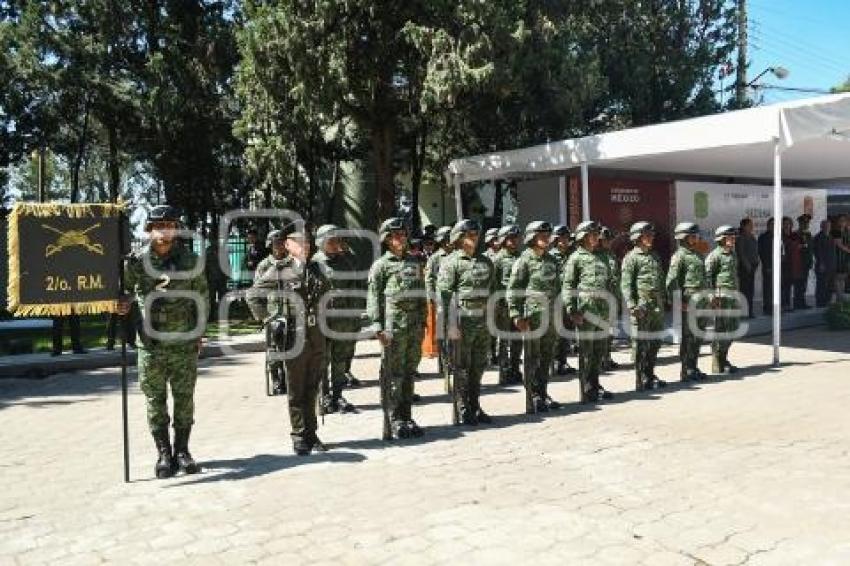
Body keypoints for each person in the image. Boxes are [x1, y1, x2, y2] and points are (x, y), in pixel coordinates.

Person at [118, 205, 208, 478]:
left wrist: (200, 333)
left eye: (169, 225)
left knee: (184, 399)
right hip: (150, 343)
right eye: (159, 225)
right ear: (149, 230)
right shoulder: (134, 262)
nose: (164, 230)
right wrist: (121, 305)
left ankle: (182, 451)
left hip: (183, 343)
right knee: (155, 400)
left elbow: (202, 297)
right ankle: (163, 455)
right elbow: (125, 293)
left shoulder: (191, 261)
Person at [250, 225, 330, 456]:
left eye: (307, 243)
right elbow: (253, 295)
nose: (305, 246)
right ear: (287, 246)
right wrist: (269, 319)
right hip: (293, 335)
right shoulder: (280, 270)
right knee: (296, 389)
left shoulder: (316, 269)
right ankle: (299, 436)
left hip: (316, 335)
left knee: (312, 387)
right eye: (299, 243)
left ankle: (312, 434)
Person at [367, 217, 427, 439]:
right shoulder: (381, 266)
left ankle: (406, 415)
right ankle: (394, 419)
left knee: (410, 372)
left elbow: (421, 293)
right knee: (394, 374)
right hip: (393, 329)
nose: (400, 239)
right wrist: (377, 326)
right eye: (395, 235)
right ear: (386, 239)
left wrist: (423, 320)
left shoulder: (414, 262)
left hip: (414, 328)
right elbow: (373, 298)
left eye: (402, 234)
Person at [437, 219, 495, 425]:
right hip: (462, 321)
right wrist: (451, 325)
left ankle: (475, 404)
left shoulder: (486, 262)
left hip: (482, 321)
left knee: (478, 365)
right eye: (469, 234)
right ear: (459, 238)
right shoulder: (450, 262)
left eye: (476, 234)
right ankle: (462, 407)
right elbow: (444, 297)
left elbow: (493, 291)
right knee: (461, 367)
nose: (474, 238)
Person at [507, 221, 562, 413]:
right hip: (531, 319)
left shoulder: (552, 261)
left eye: (548, 235)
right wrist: (516, 315)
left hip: (550, 317)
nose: (546, 238)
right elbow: (513, 289)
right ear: (531, 237)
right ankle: (533, 395)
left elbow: (558, 288)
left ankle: (543, 392)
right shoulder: (524, 260)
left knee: (547, 358)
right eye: (541, 235)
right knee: (531, 359)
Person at [313, 224, 363, 414]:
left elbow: (356, 288)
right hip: (324, 320)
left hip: (343, 319)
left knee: (340, 359)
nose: (336, 244)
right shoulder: (314, 264)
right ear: (321, 242)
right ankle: (324, 396)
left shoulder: (347, 262)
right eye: (331, 240)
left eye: (338, 240)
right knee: (323, 360)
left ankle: (338, 395)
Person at [563, 221, 614, 403]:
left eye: (596, 234)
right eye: (592, 234)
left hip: (602, 311)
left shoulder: (603, 257)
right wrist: (571, 309)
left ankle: (595, 384)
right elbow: (568, 286)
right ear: (582, 237)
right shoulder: (575, 258)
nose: (595, 237)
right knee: (586, 353)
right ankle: (586, 390)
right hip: (585, 312)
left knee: (599, 351)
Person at [620, 221, 667, 391]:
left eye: (651, 235)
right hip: (641, 307)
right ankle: (641, 379)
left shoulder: (655, 256)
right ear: (637, 238)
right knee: (641, 345)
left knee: (655, 342)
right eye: (647, 235)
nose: (651, 238)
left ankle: (650, 373)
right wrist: (632, 306)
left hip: (656, 307)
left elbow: (660, 280)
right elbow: (626, 285)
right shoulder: (631, 258)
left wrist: (665, 299)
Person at [666, 222, 708, 381]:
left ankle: (693, 366)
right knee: (689, 338)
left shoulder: (698, 255)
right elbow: (672, 281)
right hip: (688, 303)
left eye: (696, 235)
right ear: (683, 238)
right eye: (692, 236)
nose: (696, 238)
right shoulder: (679, 256)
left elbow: (704, 279)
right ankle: (686, 370)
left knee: (698, 336)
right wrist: (677, 302)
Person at [706, 225, 740, 374]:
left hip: (732, 297)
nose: (733, 240)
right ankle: (717, 364)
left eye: (733, 238)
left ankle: (724, 358)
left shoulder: (732, 254)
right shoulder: (714, 256)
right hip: (721, 298)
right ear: (721, 239)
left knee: (732, 329)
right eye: (729, 237)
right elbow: (707, 278)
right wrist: (712, 297)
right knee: (721, 331)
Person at [493, 225, 523, 385]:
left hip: (518, 304)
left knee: (517, 339)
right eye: (510, 238)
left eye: (516, 238)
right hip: (503, 305)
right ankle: (504, 372)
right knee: (504, 340)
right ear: (504, 240)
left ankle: (515, 369)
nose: (514, 241)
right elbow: (493, 283)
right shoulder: (498, 259)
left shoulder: (521, 257)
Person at [548, 225, 576, 376]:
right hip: (556, 300)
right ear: (556, 240)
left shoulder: (572, 255)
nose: (565, 241)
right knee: (555, 333)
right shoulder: (550, 256)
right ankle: (552, 362)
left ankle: (562, 361)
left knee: (566, 332)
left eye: (567, 238)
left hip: (569, 299)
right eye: (562, 238)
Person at [598, 227, 621, 371]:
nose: (608, 242)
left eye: (609, 240)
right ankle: (600, 358)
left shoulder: (611, 255)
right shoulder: (594, 256)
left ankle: (607, 356)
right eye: (605, 240)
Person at [483, 227, 501, 365]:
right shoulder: (484, 258)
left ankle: (499, 354)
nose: (497, 241)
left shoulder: (504, 255)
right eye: (495, 239)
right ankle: (489, 353)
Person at [736, 218, 759, 318]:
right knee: (745, 290)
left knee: (750, 291)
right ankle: (744, 312)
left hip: (752, 266)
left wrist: (756, 262)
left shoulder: (752, 236)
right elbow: (741, 253)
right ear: (744, 226)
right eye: (749, 225)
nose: (751, 227)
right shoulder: (741, 237)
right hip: (745, 268)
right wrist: (747, 265)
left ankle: (749, 311)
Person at [813, 218, 837, 307]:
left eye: (829, 226)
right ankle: (820, 302)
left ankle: (827, 301)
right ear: (821, 227)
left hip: (831, 265)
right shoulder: (818, 237)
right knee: (822, 284)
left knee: (830, 285)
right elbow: (818, 252)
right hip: (823, 265)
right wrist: (821, 263)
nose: (827, 227)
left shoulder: (830, 237)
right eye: (825, 226)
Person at [780, 217, 801, 312]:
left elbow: (802, 246)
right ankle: (782, 305)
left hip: (793, 263)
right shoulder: (779, 235)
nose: (787, 225)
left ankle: (788, 304)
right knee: (783, 285)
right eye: (785, 223)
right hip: (783, 263)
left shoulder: (794, 235)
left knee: (789, 285)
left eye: (788, 223)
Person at [794, 214, 813, 309]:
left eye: (807, 223)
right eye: (803, 223)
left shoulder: (808, 234)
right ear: (799, 223)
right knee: (798, 284)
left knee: (803, 284)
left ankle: (802, 302)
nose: (806, 225)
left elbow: (810, 249)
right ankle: (797, 303)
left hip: (806, 262)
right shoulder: (795, 234)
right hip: (798, 263)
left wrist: (810, 261)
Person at [757, 218, 774, 315]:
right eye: (771, 224)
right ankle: (767, 306)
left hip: (778, 265)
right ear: (768, 226)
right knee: (768, 286)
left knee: (776, 286)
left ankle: (775, 305)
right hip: (768, 265)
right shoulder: (763, 237)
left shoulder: (778, 236)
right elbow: (761, 252)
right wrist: (767, 265)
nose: (773, 226)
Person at [832, 215, 850, 300]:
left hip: (845, 258)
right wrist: (848, 250)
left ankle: (841, 296)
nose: (843, 222)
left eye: (844, 220)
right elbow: (838, 244)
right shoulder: (836, 231)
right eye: (841, 220)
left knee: (843, 277)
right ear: (837, 222)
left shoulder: (846, 231)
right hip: (837, 257)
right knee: (838, 277)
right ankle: (839, 297)